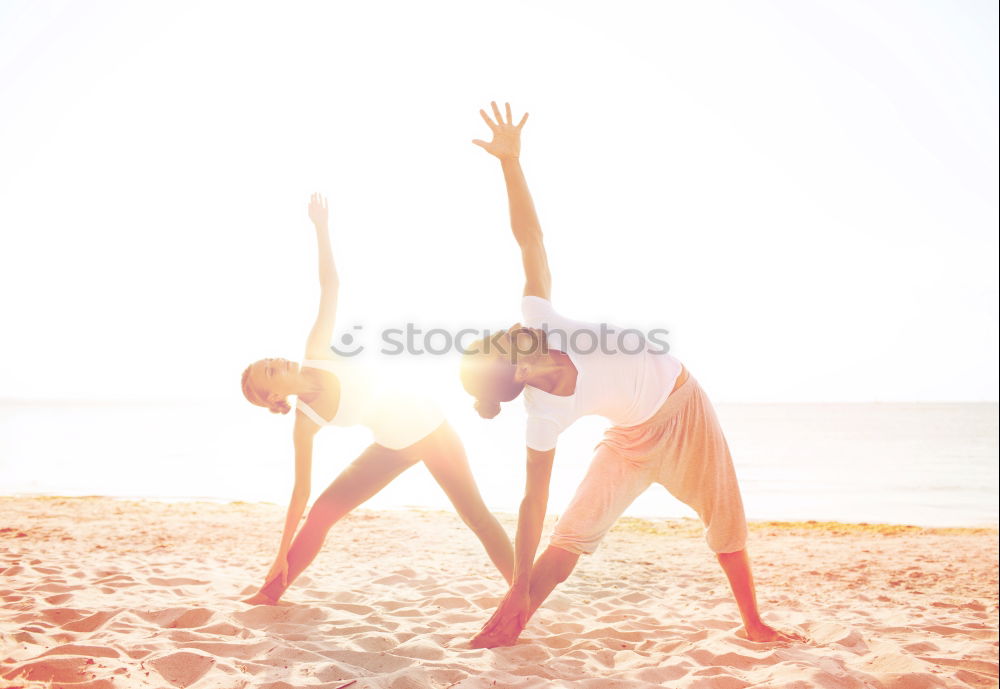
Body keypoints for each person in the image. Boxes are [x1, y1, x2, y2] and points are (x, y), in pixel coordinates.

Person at [460, 102, 804, 647]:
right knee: (570, 534)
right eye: (509, 342)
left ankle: (754, 622)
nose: (516, 328)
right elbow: (533, 503)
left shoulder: (540, 317)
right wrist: (518, 583)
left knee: (725, 517)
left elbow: (530, 239)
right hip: (629, 441)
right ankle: (509, 623)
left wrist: (510, 163)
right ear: (517, 369)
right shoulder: (543, 415)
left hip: (682, 407)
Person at [241, 193, 513, 604]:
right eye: (271, 371)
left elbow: (330, 285)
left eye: (271, 360)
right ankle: (270, 594)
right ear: (273, 395)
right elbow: (300, 493)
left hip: (432, 428)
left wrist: (321, 229)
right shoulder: (305, 420)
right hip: (390, 447)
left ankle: (522, 591)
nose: (278, 361)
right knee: (320, 513)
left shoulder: (317, 351)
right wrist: (279, 554)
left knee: (475, 515)